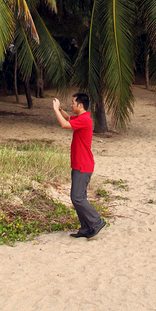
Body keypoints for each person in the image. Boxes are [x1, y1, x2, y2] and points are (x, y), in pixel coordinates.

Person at [52, 92, 106, 240]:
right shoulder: (82, 118)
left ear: (80, 105)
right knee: (77, 197)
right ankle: (86, 228)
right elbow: (69, 118)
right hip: (79, 164)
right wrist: (60, 109)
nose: (71, 105)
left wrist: (56, 110)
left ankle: (96, 222)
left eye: (73, 103)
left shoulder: (85, 120)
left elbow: (64, 124)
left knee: (77, 198)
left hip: (83, 165)